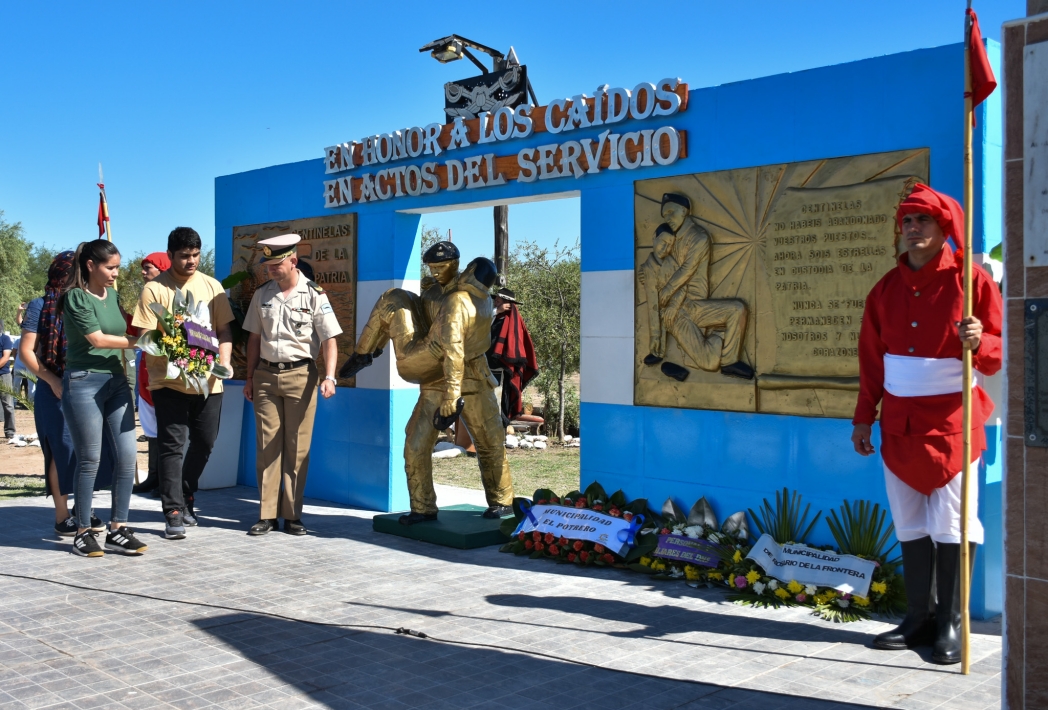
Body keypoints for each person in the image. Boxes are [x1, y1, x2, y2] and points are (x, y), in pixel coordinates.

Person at [851, 183, 1002, 665]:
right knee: (911, 523)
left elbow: (1000, 354)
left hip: (953, 423)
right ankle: (919, 617)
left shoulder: (972, 282)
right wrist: (863, 419)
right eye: (908, 221)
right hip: (898, 424)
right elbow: (872, 362)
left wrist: (980, 341)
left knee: (954, 523)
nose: (913, 229)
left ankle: (952, 624)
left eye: (924, 221)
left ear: (945, 229)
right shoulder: (885, 289)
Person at [342, 245, 514, 523]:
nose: (435, 272)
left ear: (458, 265)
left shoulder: (465, 299)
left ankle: (502, 502)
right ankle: (422, 507)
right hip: (434, 376)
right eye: (431, 268)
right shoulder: (434, 291)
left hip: (471, 378)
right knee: (416, 444)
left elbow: (455, 347)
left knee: (489, 441)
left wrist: (452, 395)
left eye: (441, 267)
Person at [133, 230, 233, 540]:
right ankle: (173, 510)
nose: (191, 261)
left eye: (195, 255)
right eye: (184, 256)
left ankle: (186, 493)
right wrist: (176, 348)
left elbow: (224, 331)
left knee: (205, 442)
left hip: (209, 382)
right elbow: (147, 336)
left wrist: (224, 363)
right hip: (168, 383)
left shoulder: (212, 286)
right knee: (171, 445)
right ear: (171, 254)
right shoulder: (154, 289)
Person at [242, 234, 341, 536]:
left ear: (293, 261)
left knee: (297, 448)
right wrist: (249, 377)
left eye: (276, 263)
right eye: (268, 264)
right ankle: (267, 514)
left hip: (301, 376)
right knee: (267, 446)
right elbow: (254, 339)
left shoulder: (314, 294)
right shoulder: (262, 295)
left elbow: (330, 339)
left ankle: (292, 515)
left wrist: (330, 376)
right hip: (266, 377)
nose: (270, 269)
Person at [58, 239, 147, 557]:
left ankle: (118, 529)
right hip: (83, 384)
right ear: (91, 266)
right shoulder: (75, 297)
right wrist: (141, 343)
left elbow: (124, 329)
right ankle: (83, 531)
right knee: (90, 460)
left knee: (127, 457)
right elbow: (97, 338)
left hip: (116, 383)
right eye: (110, 268)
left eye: (118, 267)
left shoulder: (112, 295)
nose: (115, 274)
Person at [19, 254, 113, 536]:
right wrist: (52, 380)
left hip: (89, 387)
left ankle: (84, 510)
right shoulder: (40, 306)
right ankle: (62, 516)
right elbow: (26, 352)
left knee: (91, 451)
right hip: (54, 391)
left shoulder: (89, 301)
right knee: (60, 451)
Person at [656, 193, 752, 380]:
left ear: (684, 210)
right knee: (708, 364)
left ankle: (730, 361)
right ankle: (716, 338)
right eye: (664, 215)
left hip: (697, 307)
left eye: (670, 212)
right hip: (677, 312)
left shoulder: (698, 237)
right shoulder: (670, 241)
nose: (667, 218)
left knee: (738, 309)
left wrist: (667, 291)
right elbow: (663, 267)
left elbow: (687, 269)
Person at [132, 252, 171, 496]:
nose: (144, 272)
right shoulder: (145, 298)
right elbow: (136, 331)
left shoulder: (170, 297)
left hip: (166, 370)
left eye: (148, 268)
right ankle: (154, 476)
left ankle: (167, 481)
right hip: (147, 372)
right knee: (151, 429)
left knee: (167, 429)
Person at [486, 287, 537, 424]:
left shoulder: (512, 322)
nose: (495, 302)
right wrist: (497, 311)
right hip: (487, 368)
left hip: (502, 370)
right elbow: (481, 327)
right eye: (495, 300)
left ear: (507, 304)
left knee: (499, 405)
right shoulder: (494, 316)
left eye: (498, 300)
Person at [0, 319, 15, 439]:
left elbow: (5, 358)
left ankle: (10, 432)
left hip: (3, 375)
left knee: (8, 404)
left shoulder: (5, 339)